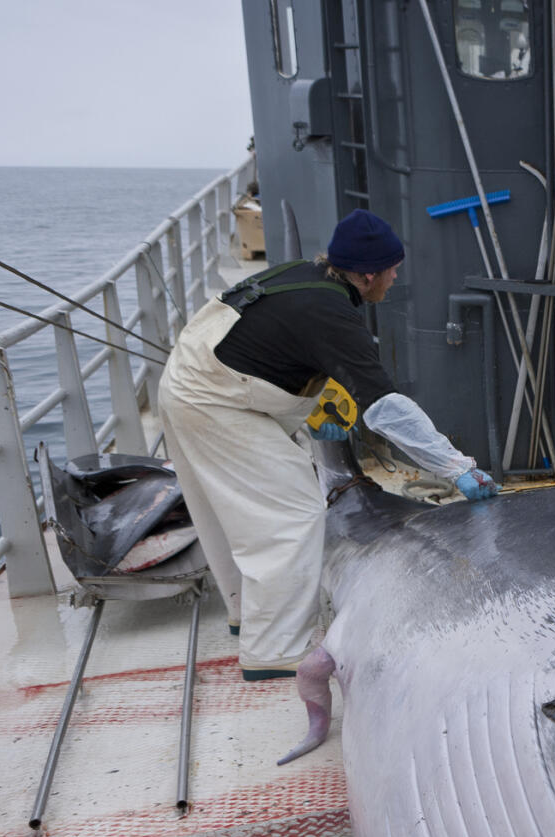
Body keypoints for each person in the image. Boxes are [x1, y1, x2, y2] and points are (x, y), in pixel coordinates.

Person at [159, 209, 497, 761]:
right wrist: (454, 465)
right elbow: (387, 407)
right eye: (391, 271)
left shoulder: (308, 279)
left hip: (193, 381)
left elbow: (276, 345)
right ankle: (278, 651)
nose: (395, 280)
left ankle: (249, 616)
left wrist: (315, 403)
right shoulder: (333, 315)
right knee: (291, 514)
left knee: (226, 511)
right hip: (215, 401)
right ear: (366, 275)